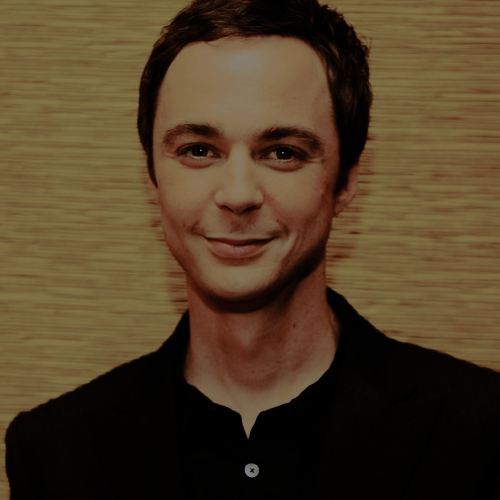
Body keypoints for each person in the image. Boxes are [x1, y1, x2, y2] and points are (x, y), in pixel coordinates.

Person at [4, 0, 500, 498]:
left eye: (283, 153)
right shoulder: (55, 454)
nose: (238, 194)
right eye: (199, 150)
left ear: (347, 181)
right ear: (153, 177)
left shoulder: (482, 432)